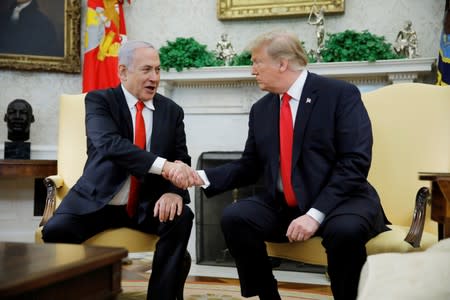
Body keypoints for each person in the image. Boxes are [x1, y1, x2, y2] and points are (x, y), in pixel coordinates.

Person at [169, 30, 390, 300]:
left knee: (345, 232)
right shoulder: (262, 109)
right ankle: (267, 296)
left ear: (282, 63)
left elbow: (354, 162)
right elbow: (250, 165)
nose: (252, 70)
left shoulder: (339, 95)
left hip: (341, 201)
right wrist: (199, 176)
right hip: (286, 204)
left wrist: (314, 214)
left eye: (257, 62)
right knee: (235, 217)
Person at [42, 40, 195, 300]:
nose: (154, 78)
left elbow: (181, 157)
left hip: (146, 205)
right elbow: (109, 144)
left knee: (181, 218)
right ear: (123, 72)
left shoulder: (172, 111)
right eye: (146, 70)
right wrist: (164, 166)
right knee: (55, 232)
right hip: (98, 202)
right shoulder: (100, 101)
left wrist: (174, 192)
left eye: (158, 70)